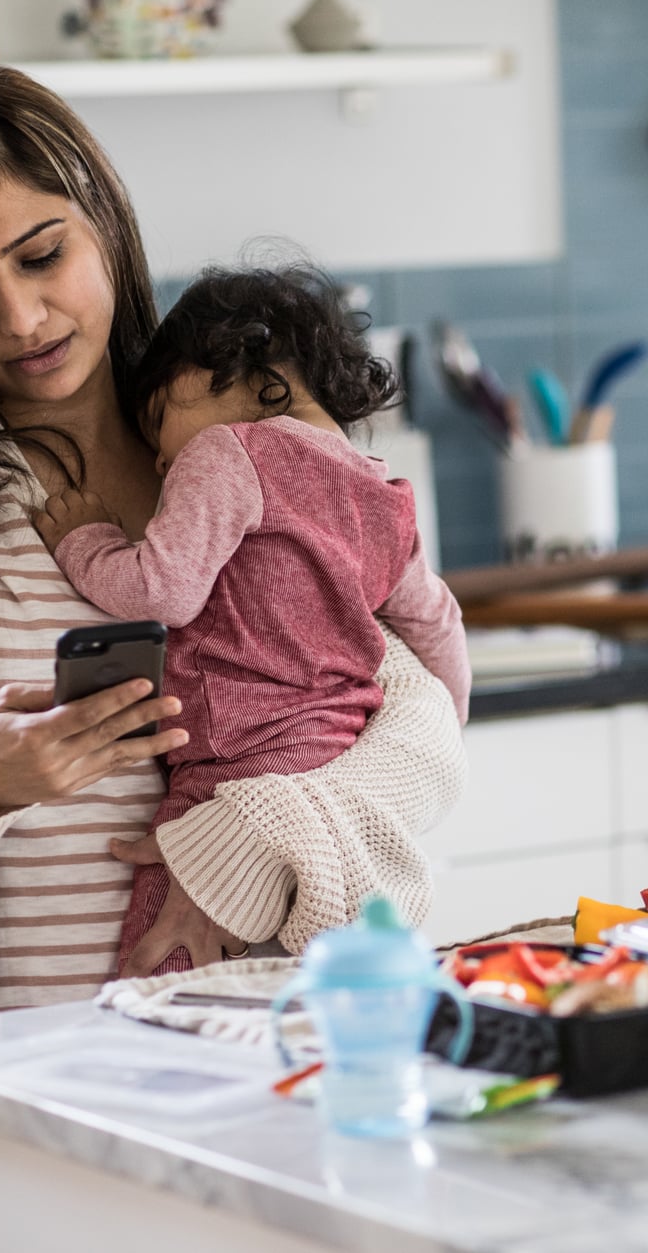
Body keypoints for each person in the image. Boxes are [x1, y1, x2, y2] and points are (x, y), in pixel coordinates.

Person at [0, 64, 464, 1253]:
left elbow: (417, 732)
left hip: (259, 1121)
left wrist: (256, 837)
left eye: (41, 255)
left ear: (104, 224)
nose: (19, 317)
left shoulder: (237, 444)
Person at [33, 262, 471, 978]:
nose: (158, 456)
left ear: (229, 367)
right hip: (333, 757)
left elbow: (164, 589)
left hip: (233, 771)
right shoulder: (384, 493)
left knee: (159, 966)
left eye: (156, 423)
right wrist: (450, 719)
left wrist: (84, 540)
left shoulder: (228, 451)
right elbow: (436, 624)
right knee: (286, 986)